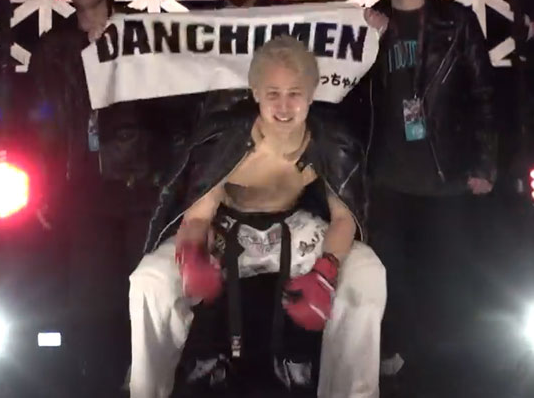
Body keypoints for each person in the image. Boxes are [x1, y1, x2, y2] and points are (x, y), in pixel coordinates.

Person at [129, 36, 386, 397]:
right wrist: (192, 255)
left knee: (367, 271)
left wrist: (326, 271)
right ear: (255, 93)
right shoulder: (227, 137)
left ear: (311, 94)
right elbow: (198, 216)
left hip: (295, 227)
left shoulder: (329, 139)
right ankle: (145, 392)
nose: (284, 106)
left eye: (295, 94)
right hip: (227, 230)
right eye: (273, 94)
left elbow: (344, 218)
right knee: (150, 279)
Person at [28, 0, 190, 396]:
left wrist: (171, 179)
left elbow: (174, 109)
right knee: (91, 297)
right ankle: (100, 381)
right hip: (81, 190)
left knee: (146, 290)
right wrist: (43, 188)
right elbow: (38, 124)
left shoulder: (141, 32)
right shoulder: (52, 48)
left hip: (141, 186)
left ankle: (148, 381)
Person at [348, 0, 498, 393]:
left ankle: (446, 371)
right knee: (390, 279)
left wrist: (485, 163)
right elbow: (345, 99)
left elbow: (484, 94)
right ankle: (401, 367)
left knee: (446, 277)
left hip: (445, 174)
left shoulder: (456, 21)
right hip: (387, 179)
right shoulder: (368, 23)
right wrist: (364, 43)